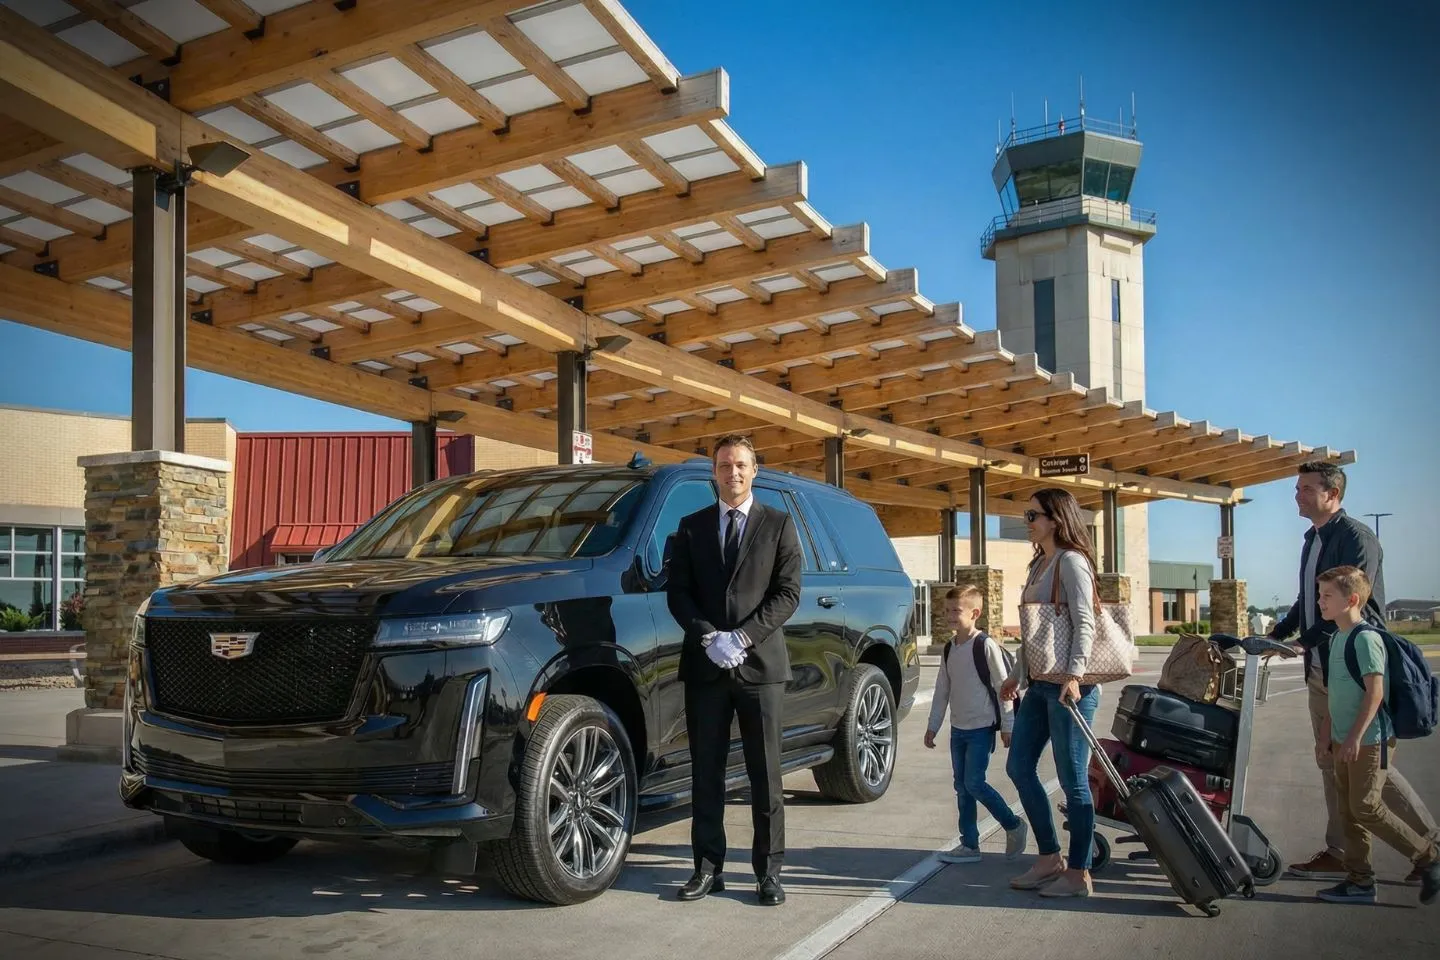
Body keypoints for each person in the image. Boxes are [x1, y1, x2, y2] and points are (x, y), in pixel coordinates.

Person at [1269, 461, 1438, 883]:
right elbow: (1307, 599)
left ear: (1332, 494)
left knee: (1371, 767)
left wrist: (1305, 641)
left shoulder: (1357, 538)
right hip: (1320, 672)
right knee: (1332, 764)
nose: (1297, 495)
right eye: (1297, 488)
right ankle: (1341, 850)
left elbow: (1351, 604)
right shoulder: (1313, 539)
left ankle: (1430, 847)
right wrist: (1277, 634)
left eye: (1306, 488)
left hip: (1354, 668)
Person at [666, 434, 802, 906]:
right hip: (706, 669)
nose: (733, 473)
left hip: (761, 668)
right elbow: (677, 592)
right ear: (714, 472)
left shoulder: (779, 525)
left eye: (741, 465)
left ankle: (768, 873)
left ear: (755, 469)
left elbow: (787, 593)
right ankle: (707, 869)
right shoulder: (691, 527)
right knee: (706, 773)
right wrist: (709, 636)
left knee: (766, 775)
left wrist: (742, 637)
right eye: (724, 466)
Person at [1311, 566, 1440, 905]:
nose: (1319, 602)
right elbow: (1333, 697)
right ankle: (1360, 881)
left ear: (1351, 600)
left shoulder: (1365, 639)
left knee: (1366, 806)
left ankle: (1429, 857)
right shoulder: (1336, 637)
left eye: (1327, 596)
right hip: (1344, 739)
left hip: (1370, 740)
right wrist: (1325, 738)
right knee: (1349, 812)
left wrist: (1354, 738)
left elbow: (1375, 694)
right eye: (1319, 595)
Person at [999, 488, 1102, 898]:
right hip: (1040, 685)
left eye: (1033, 515)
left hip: (1069, 688)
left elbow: (1085, 623)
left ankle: (1079, 873)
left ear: (1055, 520)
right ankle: (1048, 858)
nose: (1028, 522)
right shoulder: (1040, 563)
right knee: (1019, 767)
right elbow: (1036, 630)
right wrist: (1018, 674)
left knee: (1073, 779)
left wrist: (1075, 676)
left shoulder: (1072, 562)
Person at [923, 585, 1028, 864]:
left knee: (974, 782)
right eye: (947, 611)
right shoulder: (949, 649)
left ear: (975, 612)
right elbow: (942, 690)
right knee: (962, 787)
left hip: (982, 728)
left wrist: (1008, 725)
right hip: (958, 730)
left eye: (956, 610)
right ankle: (970, 846)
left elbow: (1003, 688)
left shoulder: (985, 645)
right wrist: (933, 725)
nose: (950, 616)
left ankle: (1013, 824)